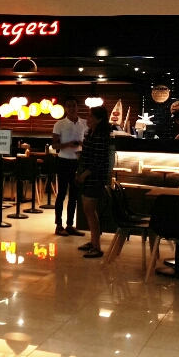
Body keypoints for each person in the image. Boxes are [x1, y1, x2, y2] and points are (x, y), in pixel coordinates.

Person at [76, 106, 111, 258]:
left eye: (90, 116)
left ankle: (97, 246)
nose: (87, 118)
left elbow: (98, 161)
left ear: (99, 119)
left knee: (90, 210)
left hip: (94, 177)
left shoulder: (100, 136)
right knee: (88, 210)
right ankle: (93, 241)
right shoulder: (91, 133)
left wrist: (84, 174)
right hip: (88, 175)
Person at [51, 96, 88, 237]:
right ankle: (58, 225)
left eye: (74, 105)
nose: (72, 108)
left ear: (78, 107)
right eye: (69, 106)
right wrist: (68, 144)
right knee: (61, 194)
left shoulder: (84, 123)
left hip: (77, 162)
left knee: (74, 195)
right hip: (63, 161)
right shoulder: (59, 124)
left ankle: (70, 225)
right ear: (66, 108)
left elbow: (88, 141)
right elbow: (55, 145)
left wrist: (82, 144)